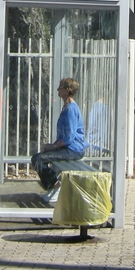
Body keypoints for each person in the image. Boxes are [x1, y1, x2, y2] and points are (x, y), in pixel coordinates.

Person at [31, 77, 86, 205]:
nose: (58, 90)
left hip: (73, 149)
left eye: (60, 87)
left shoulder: (71, 109)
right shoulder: (67, 107)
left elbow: (69, 137)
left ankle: (55, 186)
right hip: (68, 148)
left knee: (38, 159)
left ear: (68, 90)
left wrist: (53, 146)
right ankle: (53, 187)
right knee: (40, 158)